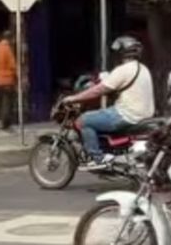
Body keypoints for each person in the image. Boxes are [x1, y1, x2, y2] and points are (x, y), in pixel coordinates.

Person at [62, 35, 155, 170]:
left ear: (121, 52)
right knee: (100, 115)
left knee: (84, 120)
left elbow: (99, 90)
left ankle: (97, 158)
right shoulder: (142, 68)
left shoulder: (124, 69)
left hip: (126, 115)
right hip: (142, 114)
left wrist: (74, 98)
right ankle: (106, 150)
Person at [0, 30, 18, 131]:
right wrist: (17, 77)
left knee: (0, 102)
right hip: (7, 80)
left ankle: (1, 121)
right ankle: (5, 123)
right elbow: (13, 65)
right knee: (7, 103)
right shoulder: (7, 49)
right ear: (9, 39)